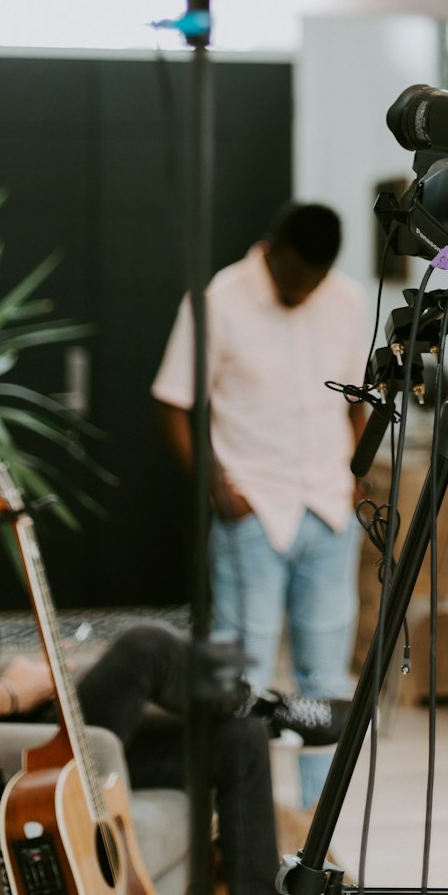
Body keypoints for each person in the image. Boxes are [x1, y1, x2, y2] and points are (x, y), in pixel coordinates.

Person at [0, 409, 321, 895]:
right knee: (145, 645)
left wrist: (34, 678)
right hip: (6, 753)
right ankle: (263, 701)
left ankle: (254, 727)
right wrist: (8, 695)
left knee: (237, 738)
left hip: (30, 723)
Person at [153, 202, 369, 808]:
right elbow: (174, 402)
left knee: (324, 683)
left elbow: (356, 399)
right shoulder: (218, 300)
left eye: (315, 281)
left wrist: (356, 474)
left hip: (328, 512)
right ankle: (236, 825)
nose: (303, 292)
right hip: (252, 514)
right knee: (238, 679)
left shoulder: (348, 301)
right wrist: (217, 487)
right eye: (294, 279)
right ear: (271, 250)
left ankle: (317, 841)